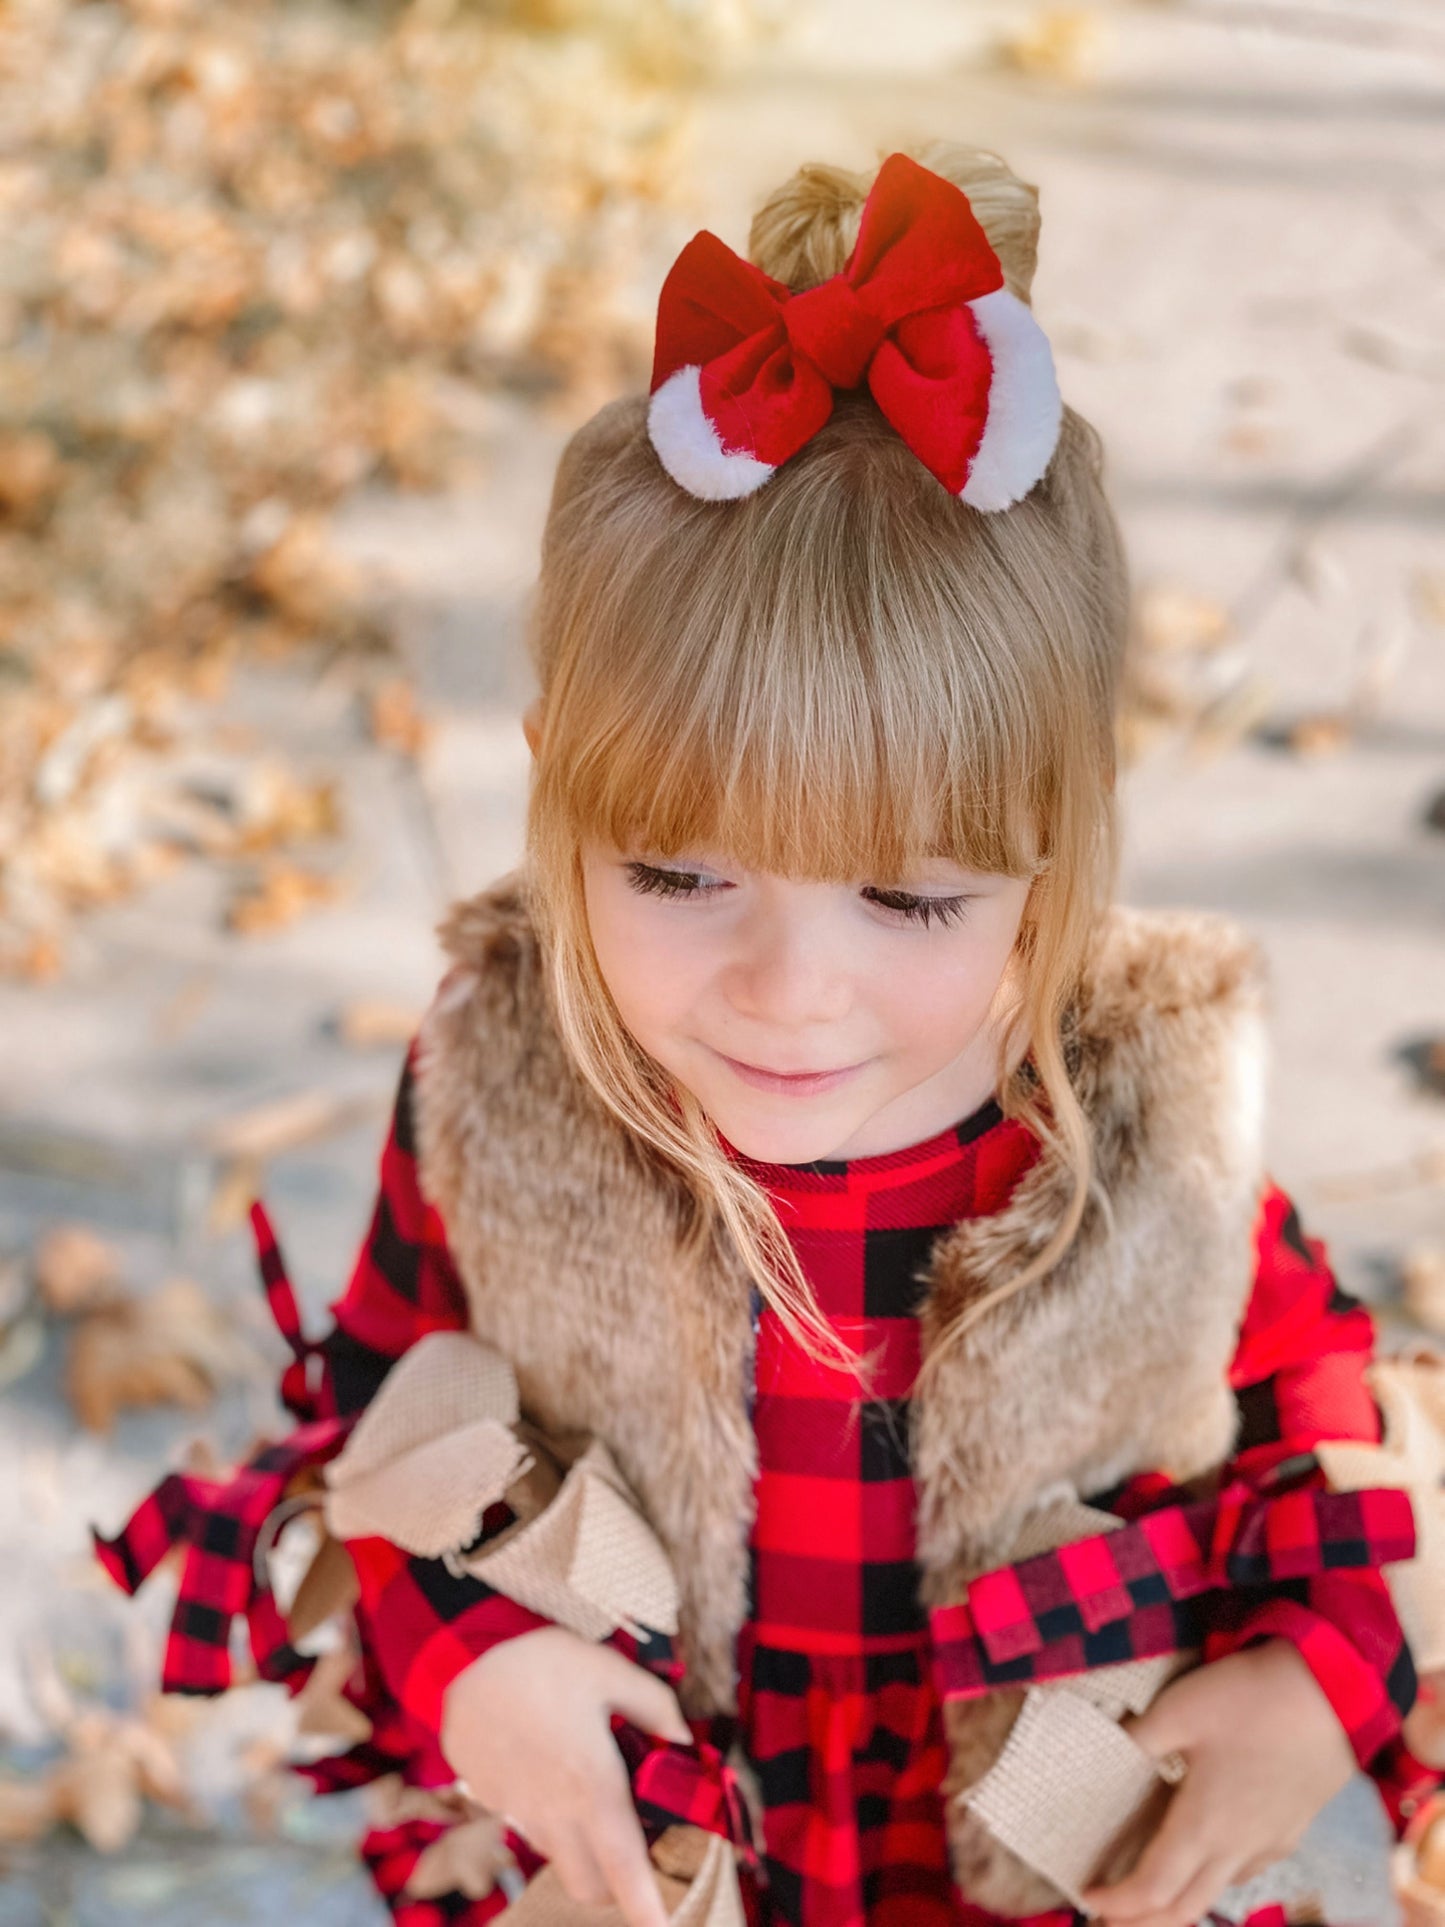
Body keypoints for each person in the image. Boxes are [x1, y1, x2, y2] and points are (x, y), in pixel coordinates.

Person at [96, 143, 1443, 1927]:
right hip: (663, 1849)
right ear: (555, 797)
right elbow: (374, 1406)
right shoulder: (507, 1094)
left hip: (1032, 1845)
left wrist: (1322, 1677)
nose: (787, 989)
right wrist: (458, 1662)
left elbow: (1316, 1398)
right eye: (671, 871)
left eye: (906, 901)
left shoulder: (1136, 1119)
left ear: (1048, 868)